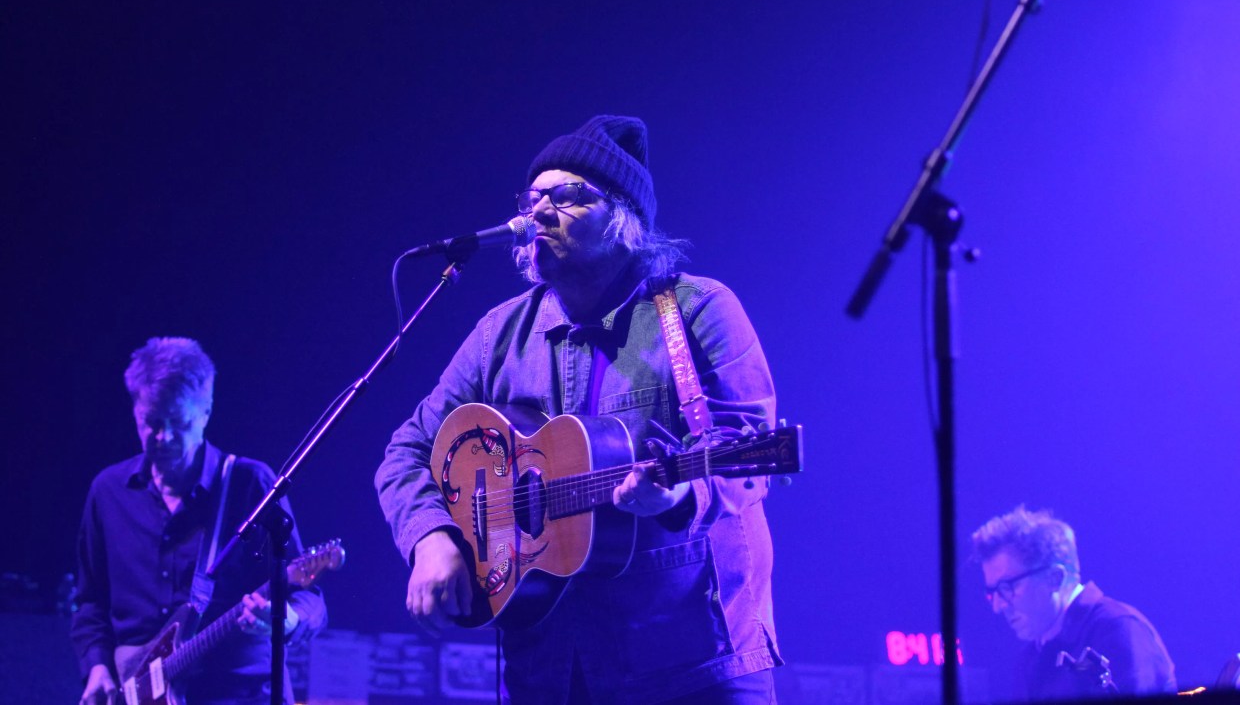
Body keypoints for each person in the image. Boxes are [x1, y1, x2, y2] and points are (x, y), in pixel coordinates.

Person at [375, 115, 782, 703]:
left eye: (567, 197)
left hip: (692, 660)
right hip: (552, 668)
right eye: (533, 196)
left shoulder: (698, 309)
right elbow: (406, 451)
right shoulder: (501, 333)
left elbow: (749, 449)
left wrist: (678, 494)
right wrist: (430, 537)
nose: (539, 211)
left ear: (625, 219)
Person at [71, 337, 327, 705]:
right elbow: (90, 603)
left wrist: (286, 621)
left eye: (179, 422)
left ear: (206, 412)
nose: (164, 437)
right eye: (151, 423)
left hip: (239, 695)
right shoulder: (108, 492)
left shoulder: (250, 484)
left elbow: (308, 596)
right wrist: (96, 667)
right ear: (135, 411)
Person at [971, 505, 1176, 700]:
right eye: (993, 592)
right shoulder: (1030, 659)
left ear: (1054, 578)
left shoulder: (1118, 629)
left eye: (1008, 587)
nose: (998, 606)